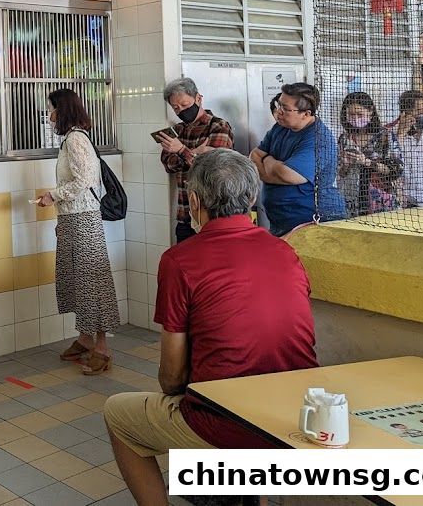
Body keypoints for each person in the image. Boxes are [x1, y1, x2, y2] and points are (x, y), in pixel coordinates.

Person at [104, 150, 318, 505]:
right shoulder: (285, 251)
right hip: (297, 414)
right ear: (252, 196)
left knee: (117, 414)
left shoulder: (179, 260)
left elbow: (171, 378)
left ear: (194, 201)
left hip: (228, 423)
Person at [37, 88, 120, 375]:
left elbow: (84, 179)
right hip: (72, 218)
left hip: (84, 219)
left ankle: (102, 349)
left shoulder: (75, 139)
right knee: (75, 280)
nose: (49, 114)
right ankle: (85, 339)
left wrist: (53, 195)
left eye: (52, 108)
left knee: (92, 283)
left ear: (62, 110)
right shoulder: (70, 139)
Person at [251, 82, 346, 235]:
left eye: (285, 108)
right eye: (279, 105)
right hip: (281, 221)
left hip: (313, 221)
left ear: (306, 114)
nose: (279, 111)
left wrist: (267, 160)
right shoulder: (280, 127)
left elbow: (288, 175)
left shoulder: (319, 139)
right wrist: (273, 170)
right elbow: (254, 156)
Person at [158, 78, 234, 241]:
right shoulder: (177, 130)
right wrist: (196, 153)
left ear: (198, 98)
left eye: (184, 105)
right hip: (185, 215)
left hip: (214, 216)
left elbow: (214, 167)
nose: (181, 110)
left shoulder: (218, 126)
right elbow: (168, 164)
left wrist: (181, 150)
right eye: (176, 108)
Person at [337, 92, 403, 216]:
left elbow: (396, 169)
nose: (355, 118)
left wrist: (367, 162)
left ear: (371, 111)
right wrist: (345, 165)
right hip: (352, 202)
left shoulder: (385, 136)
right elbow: (340, 173)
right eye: (351, 114)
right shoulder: (345, 138)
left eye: (359, 114)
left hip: (381, 202)